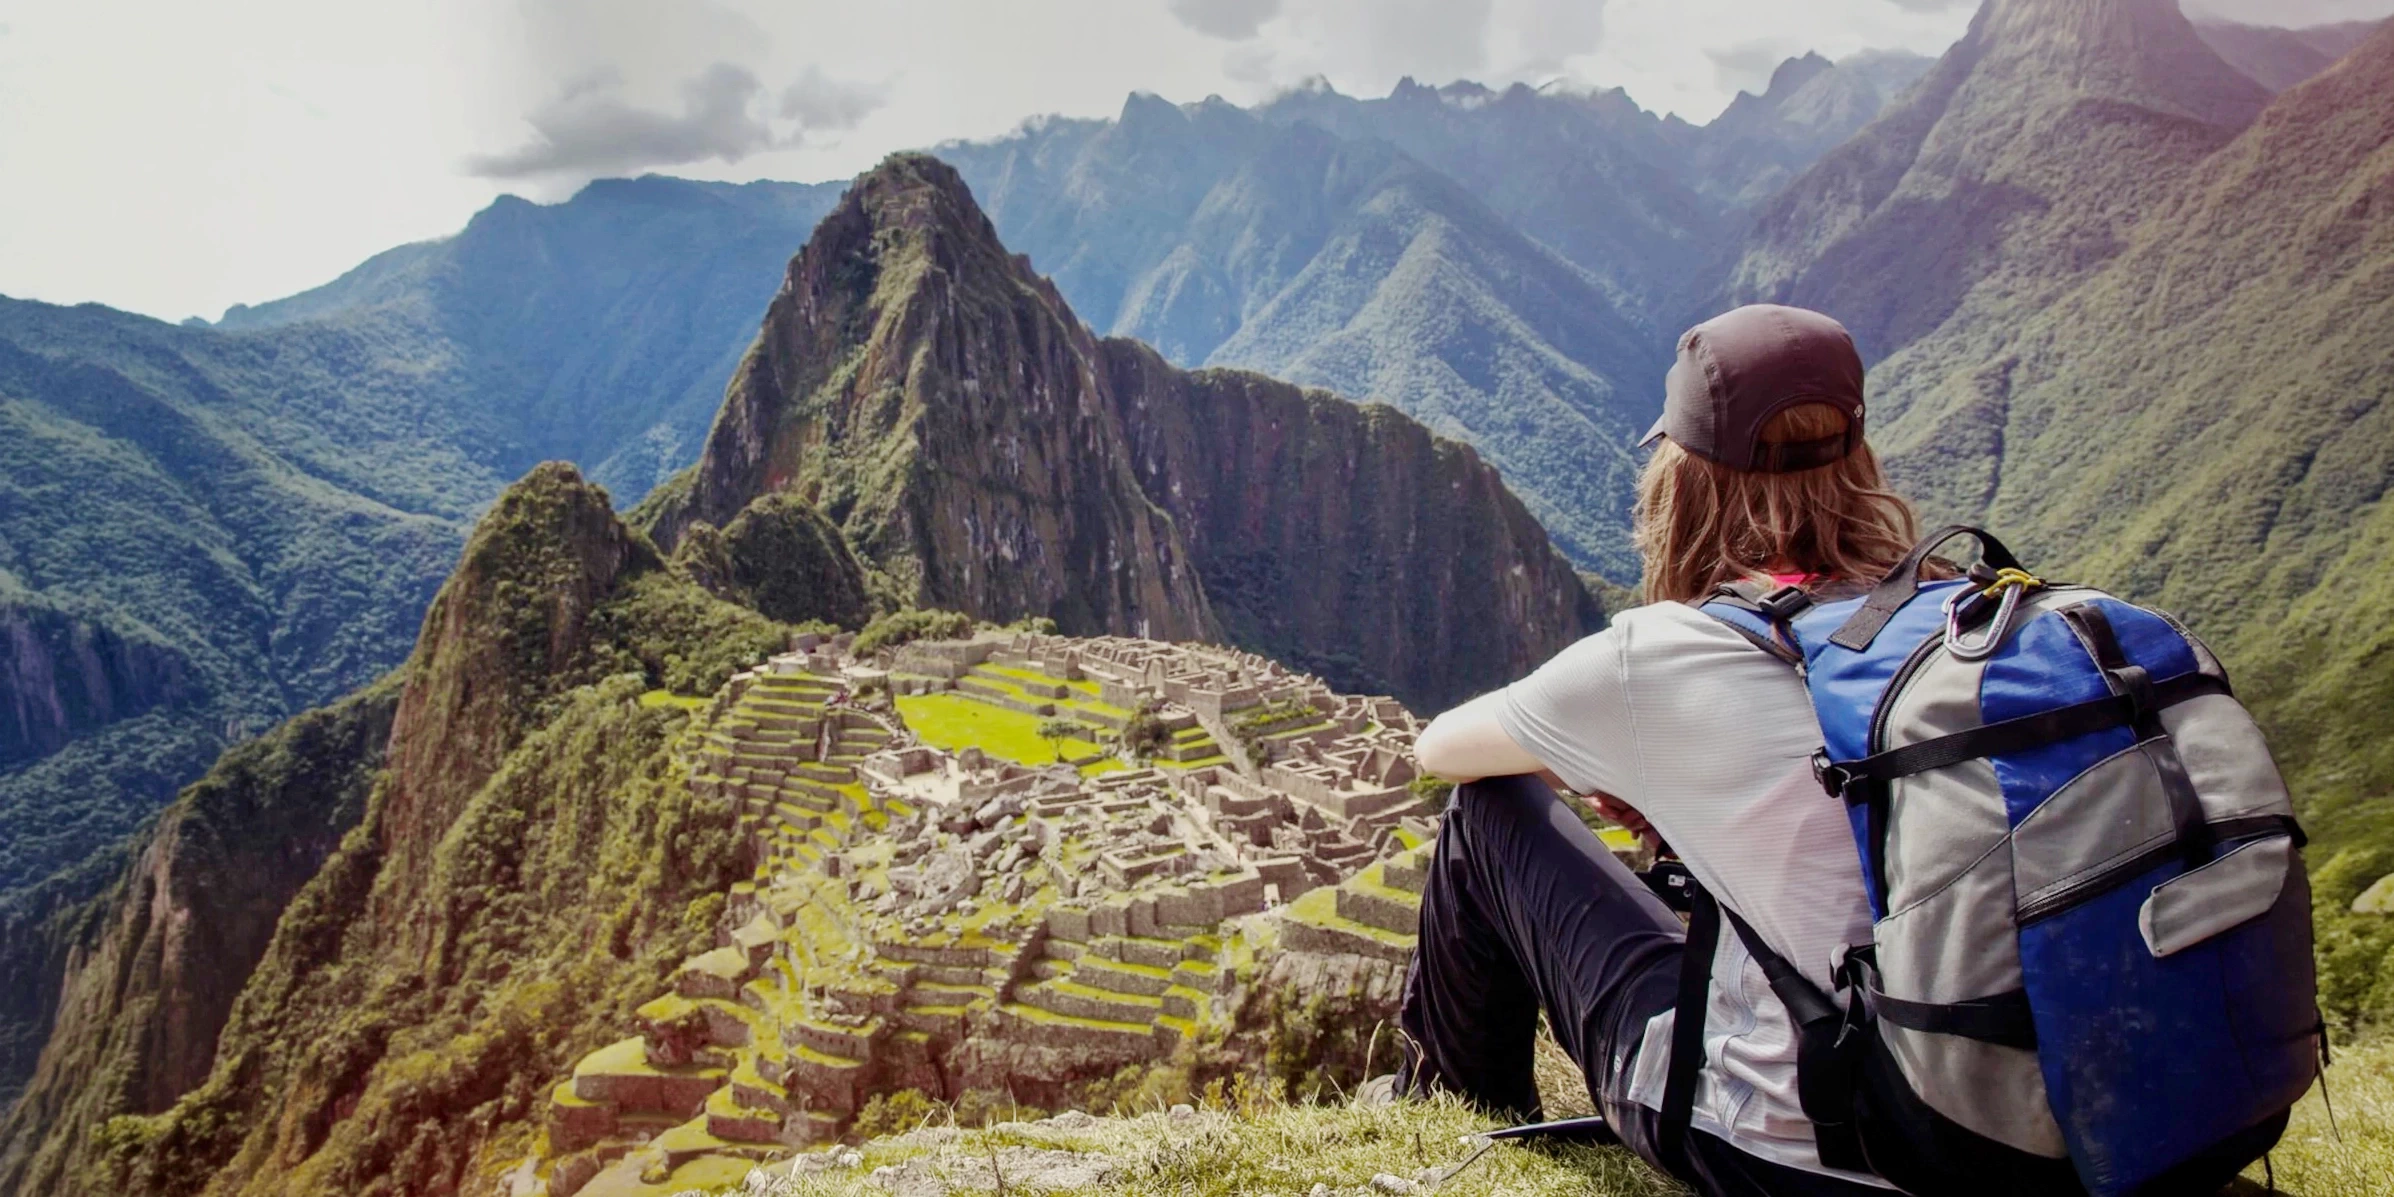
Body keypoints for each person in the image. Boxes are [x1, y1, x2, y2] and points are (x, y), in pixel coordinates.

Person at [1401, 304, 1920, 1197]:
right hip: (2021, 1121)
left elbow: (1440, 747)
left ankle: (1453, 1114)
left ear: (1685, 479)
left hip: (1805, 1152)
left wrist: (1616, 754)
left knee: (1488, 810)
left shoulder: (1664, 657)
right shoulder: (1957, 615)